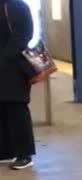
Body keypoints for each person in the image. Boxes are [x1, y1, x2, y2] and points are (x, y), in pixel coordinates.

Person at [0, 0, 35, 170]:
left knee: (16, 108)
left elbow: (23, 36)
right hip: (3, 67)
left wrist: (5, 58)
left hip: (13, 68)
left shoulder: (16, 6)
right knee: (3, 109)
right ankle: (5, 151)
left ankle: (24, 154)